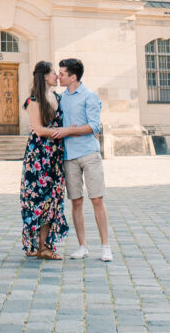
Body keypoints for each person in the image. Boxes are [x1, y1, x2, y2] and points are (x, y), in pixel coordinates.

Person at [53, 58, 113, 262]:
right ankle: (82, 246)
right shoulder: (61, 98)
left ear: (73, 77)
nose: (58, 76)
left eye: (62, 74)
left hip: (89, 154)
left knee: (97, 199)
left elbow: (94, 126)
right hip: (69, 156)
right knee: (76, 201)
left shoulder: (90, 96)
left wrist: (69, 131)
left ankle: (105, 246)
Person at [20, 61, 69, 260]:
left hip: (55, 155)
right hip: (39, 157)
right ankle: (40, 246)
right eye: (54, 73)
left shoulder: (58, 97)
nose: (57, 76)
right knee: (38, 200)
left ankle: (43, 245)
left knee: (53, 199)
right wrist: (64, 131)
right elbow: (39, 130)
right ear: (45, 76)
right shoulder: (34, 100)